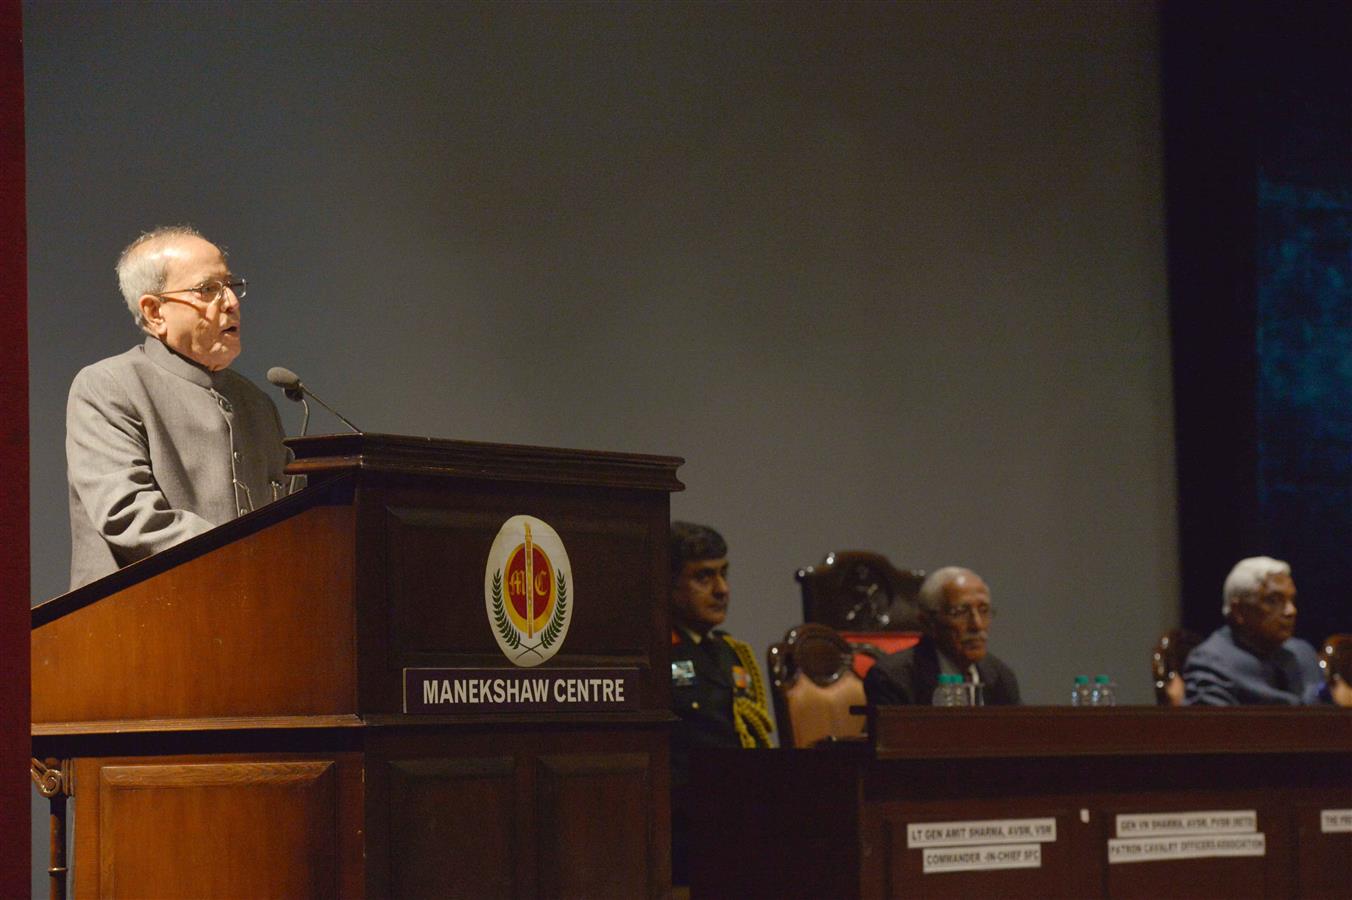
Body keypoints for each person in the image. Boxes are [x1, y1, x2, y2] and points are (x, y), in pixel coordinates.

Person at [66, 226, 290, 589]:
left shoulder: (256, 403)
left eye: (231, 286)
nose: (232, 302)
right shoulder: (109, 386)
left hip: (255, 622)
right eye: (208, 290)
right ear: (154, 312)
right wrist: (247, 559)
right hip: (140, 625)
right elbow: (128, 515)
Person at [668, 521, 771, 887]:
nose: (722, 590)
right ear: (668, 584)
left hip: (737, 819)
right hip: (685, 830)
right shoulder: (657, 656)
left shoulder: (731, 653)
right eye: (704, 577)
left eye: (724, 574)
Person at [863, 565, 1021, 706]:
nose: (977, 625)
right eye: (960, 612)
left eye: (984, 610)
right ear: (927, 623)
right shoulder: (892, 679)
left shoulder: (1000, 676)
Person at [1183, 556, 1324, 705]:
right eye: (1273, 600)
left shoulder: (1303, 654)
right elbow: (1216, 727)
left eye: (1291, 600)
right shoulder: (1211, 664)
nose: (1291, 611)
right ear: (1238, 611)